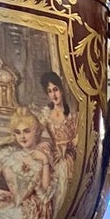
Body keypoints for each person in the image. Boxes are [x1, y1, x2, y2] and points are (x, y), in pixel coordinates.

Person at [40, 71, 79, 199]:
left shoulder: (72, 113)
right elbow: (37, 133)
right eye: (50, 91)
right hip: (56, 156)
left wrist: (68, 146)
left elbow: (78, 136)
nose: (53, 94)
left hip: (70, 155)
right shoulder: (46, 114)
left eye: (55, 90)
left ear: (61, 90)